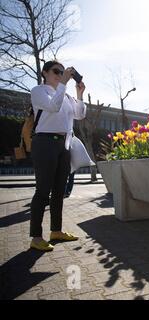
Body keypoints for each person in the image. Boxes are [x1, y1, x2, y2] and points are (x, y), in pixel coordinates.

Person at [29, 60, 86, 251]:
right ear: (45, 72)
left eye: (62, 72)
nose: (60, 74)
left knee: (59, 190)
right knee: (43, 190)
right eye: (56, 71)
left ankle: (56, 231)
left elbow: (80, 115)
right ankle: (36, 237)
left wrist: (79, 94)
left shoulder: (67, 95)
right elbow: (53, 107)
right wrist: (64, 84)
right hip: (44, 142)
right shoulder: (38, 91)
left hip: (64, 144)